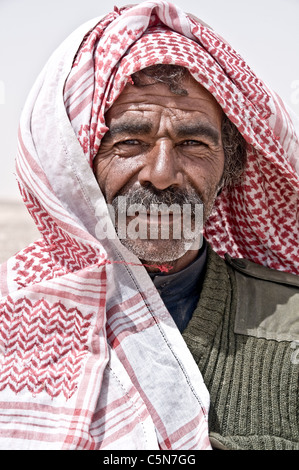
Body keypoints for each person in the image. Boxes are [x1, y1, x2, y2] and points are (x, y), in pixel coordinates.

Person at [0, 0, 298, 451]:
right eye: (131, 142)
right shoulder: (13, 314)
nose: (161, 173)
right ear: (81, 165)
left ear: (229, 168)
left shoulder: (290, 323)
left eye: (193, 143)